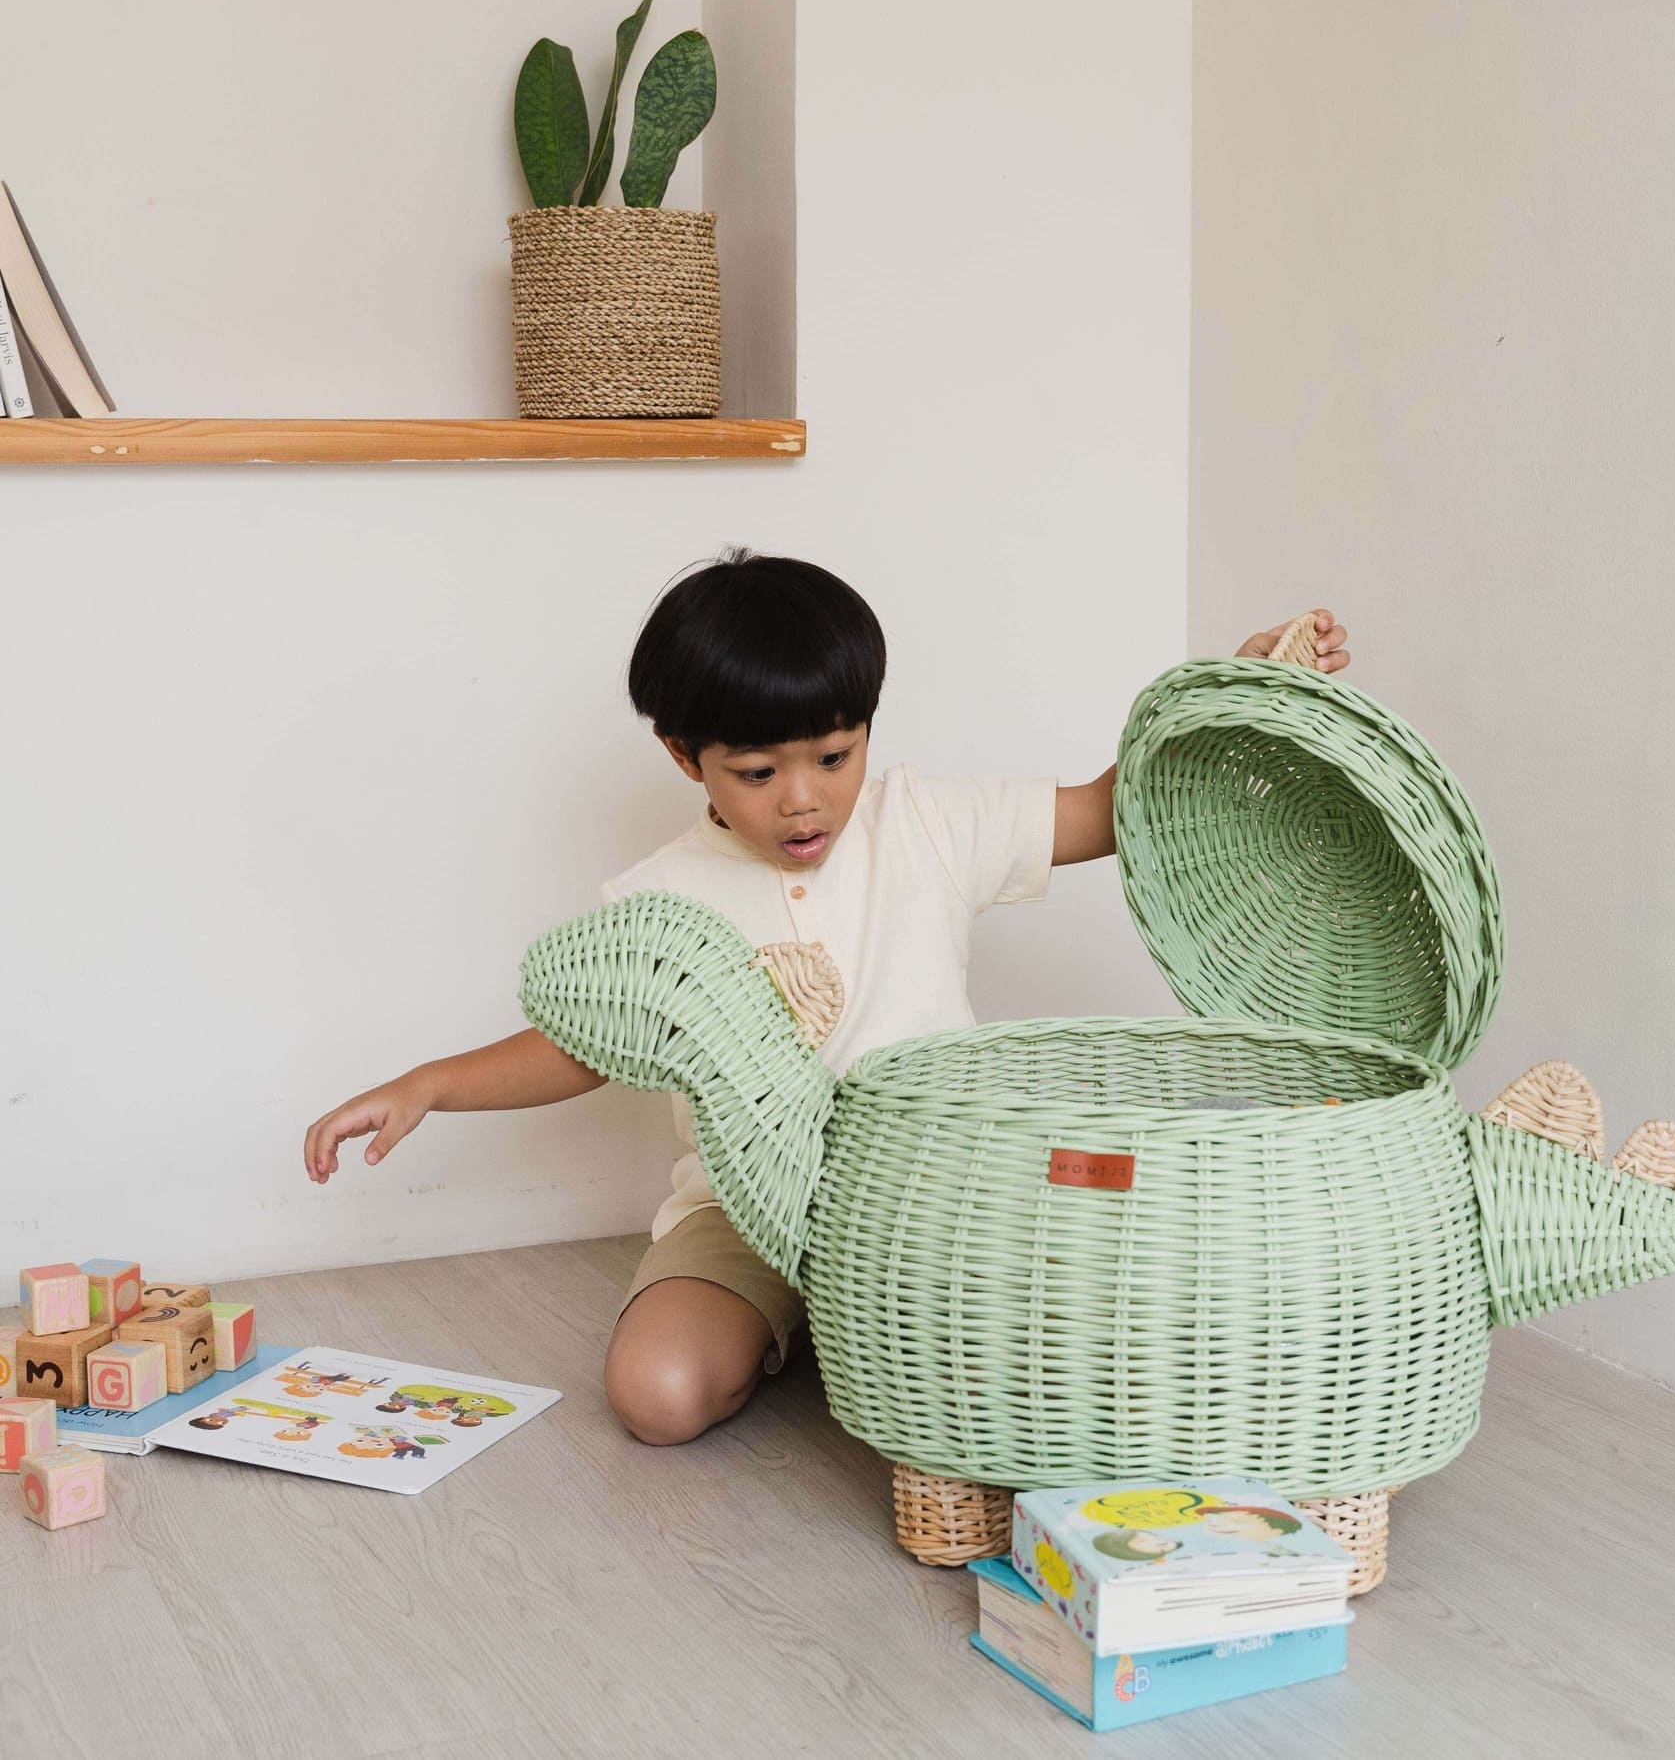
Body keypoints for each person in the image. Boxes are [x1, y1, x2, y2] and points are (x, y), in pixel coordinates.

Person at [302, 549, 1350, 1448]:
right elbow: (583, 1046)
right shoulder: (663, 896)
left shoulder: (927, 823)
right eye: (757, 771)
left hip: (942, 1202)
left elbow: (1108, 809)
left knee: (1067, 1358)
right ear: (685, 757)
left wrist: (1240, 685)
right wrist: (430, 1084)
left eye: (834, 756)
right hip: (744, 1218)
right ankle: (800, 1319)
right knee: (654, 1396)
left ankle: (866, 1327)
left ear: (865, 732)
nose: (803, 797)